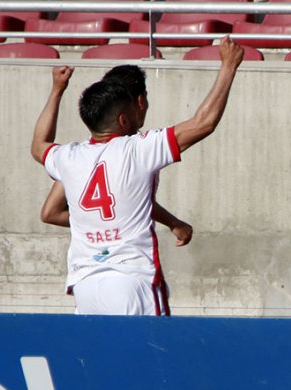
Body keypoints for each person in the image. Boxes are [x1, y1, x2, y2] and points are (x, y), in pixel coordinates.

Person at [30, 36, 245, 315]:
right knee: (152, 357)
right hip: (131, 278)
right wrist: (228, 66)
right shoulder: (138, 148)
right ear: (125, 116)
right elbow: (203, 123)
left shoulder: (70, 156)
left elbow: (38, 146)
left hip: (85, 283)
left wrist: (57, 90)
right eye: (138, 103)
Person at [40, 65, 194, 248]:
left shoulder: (80, 155)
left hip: (89, 264)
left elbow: (50, 213)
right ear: (140, 101)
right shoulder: (141, 149)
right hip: (128, 262)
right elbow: (204, 124)